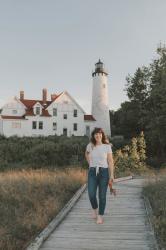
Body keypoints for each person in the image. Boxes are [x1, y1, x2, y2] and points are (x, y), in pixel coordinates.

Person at [85, 127, 114, 224]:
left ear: (102, 135)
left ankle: (100, 216)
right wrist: (90, 163)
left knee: (102, 196)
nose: (98, 135)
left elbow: (110, 161)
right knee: (91, 194)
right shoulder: (90, 145)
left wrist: (112, 175)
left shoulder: (107, 146)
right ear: (93, 136)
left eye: (100, 134)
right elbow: (86, 154)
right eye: (96, 134)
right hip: (92, 172)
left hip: (104, 173)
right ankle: (95, 209)